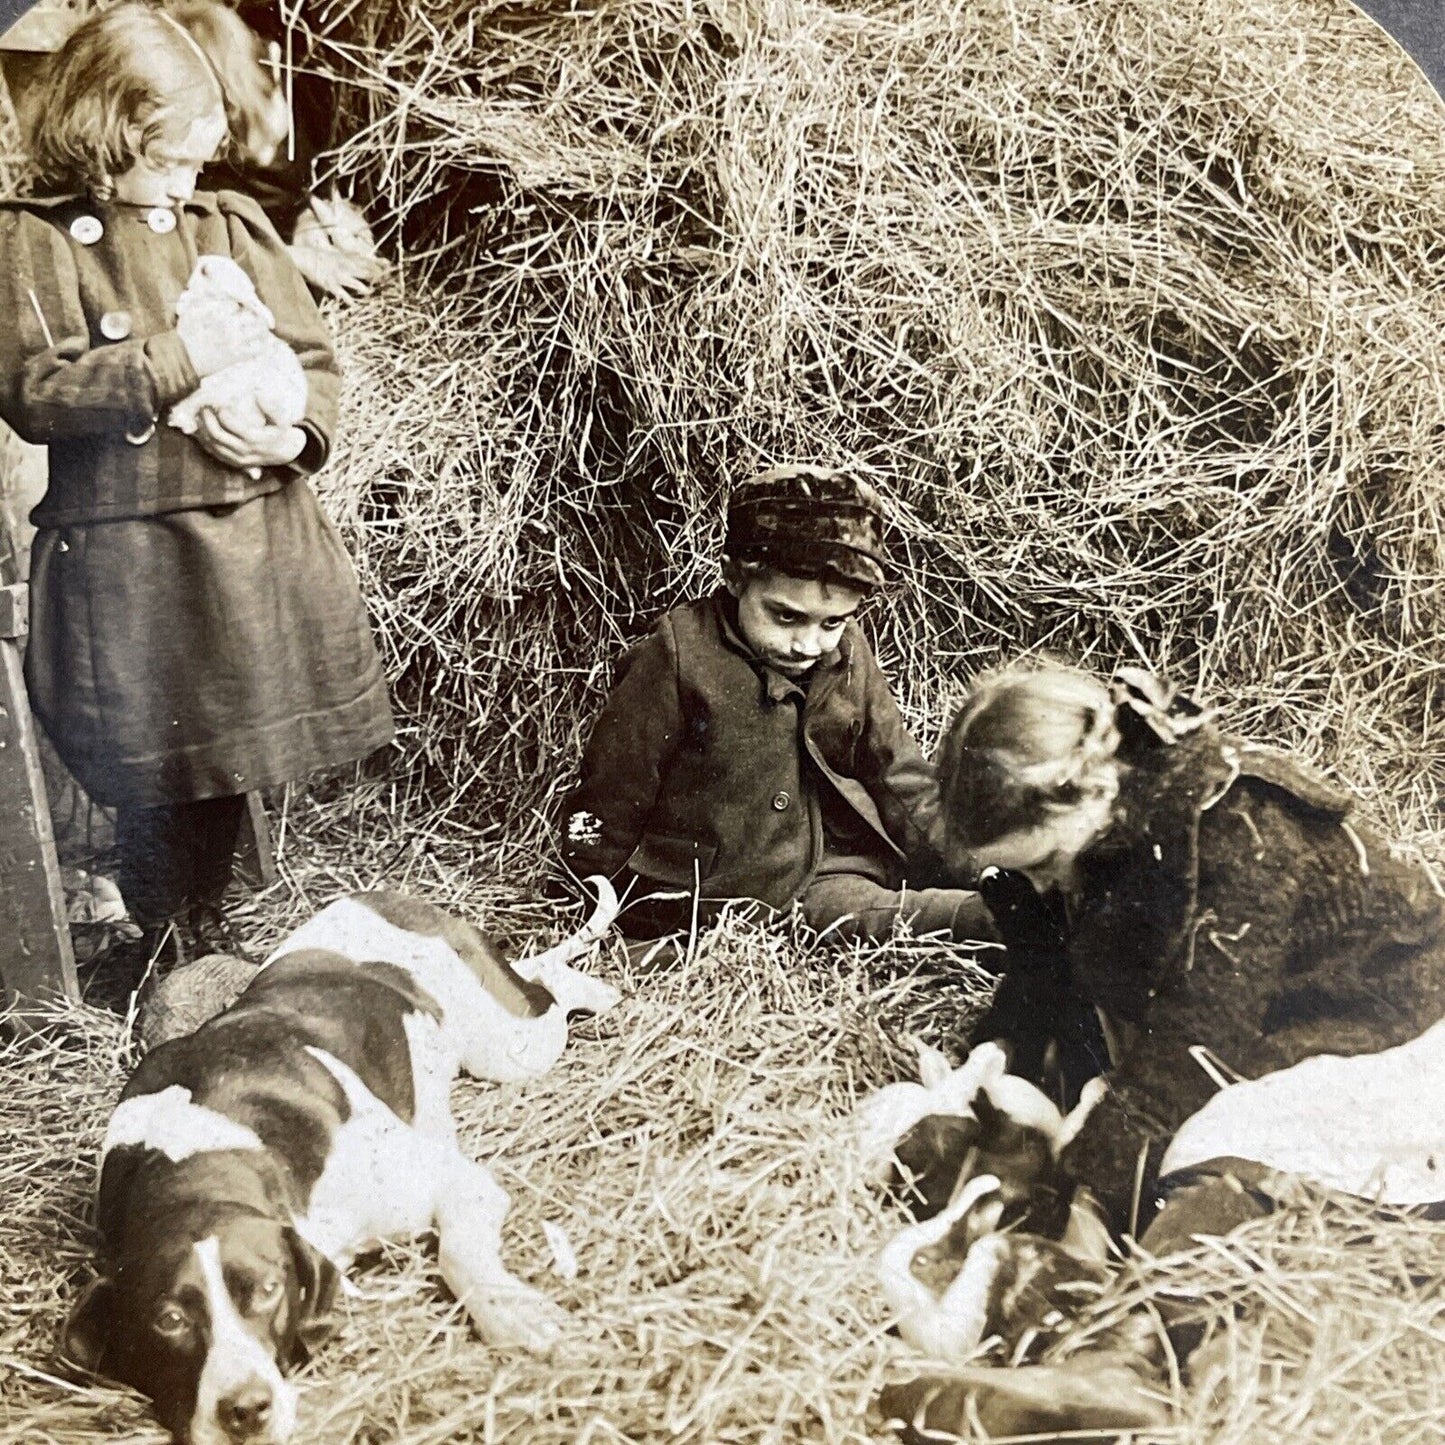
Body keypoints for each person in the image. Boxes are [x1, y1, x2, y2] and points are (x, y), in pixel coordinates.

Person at [0, 3, 393, 979]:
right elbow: (35, 389)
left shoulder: (230, 223)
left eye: (192, 158)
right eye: (164, 161)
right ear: (102, 134)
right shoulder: (37, 240)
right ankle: (167, 930)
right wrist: (181, 358)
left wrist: (289, 428)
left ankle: (205, 923)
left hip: (250, 529)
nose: (184, 183)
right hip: (129, 547)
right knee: (152, 756)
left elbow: (314, 358)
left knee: (223, 742)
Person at [936, 662, 1445, 1217]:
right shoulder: (1091, 829)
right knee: (1084, 1090)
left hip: (1386, 1013)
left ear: (1095, 790)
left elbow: (1198, 1042)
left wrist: (1077, 1186)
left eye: (1043, 864)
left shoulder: (1237, 832)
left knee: (1203, 1158)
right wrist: (1001, 1047)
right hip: (1264, 1006)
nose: (1039, 884)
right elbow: (1049, 964)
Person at [559, 464, 998, 949]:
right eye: (786, 616)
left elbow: (898, 776)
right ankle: (999, 923)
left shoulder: (848, 652)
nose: (808, 643)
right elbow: (616, 782)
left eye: (831, 622)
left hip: (833, 861)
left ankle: (1017, 899)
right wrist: (593, 880)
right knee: (895, 918)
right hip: (728, 886)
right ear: (734, 578)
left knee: (938, 888)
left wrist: (975, 863)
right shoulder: (680, 655)